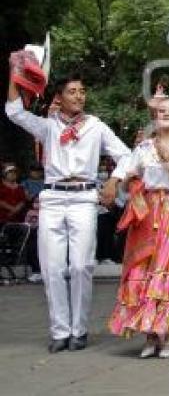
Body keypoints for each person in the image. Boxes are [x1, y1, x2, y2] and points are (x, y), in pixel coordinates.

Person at [5, 71, 130, 353]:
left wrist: (113, 180)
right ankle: (60, 331)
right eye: (72, 91)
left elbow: (125, 154)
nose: (79, 96)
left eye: (82, 91)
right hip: (51, 198)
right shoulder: (48, 127)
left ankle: (79, 329)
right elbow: (14, 111)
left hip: (84, 197)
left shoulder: (95, 126)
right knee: (52, 267)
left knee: (81, 265)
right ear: (58, 98)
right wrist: (15, 74)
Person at [108, 96, 169, 358]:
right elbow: (128, 183)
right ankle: (149, 334)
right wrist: (128, 180)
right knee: (144, 268)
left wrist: (168, 163)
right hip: (147, 211)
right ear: (155, 116)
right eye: (162, 110)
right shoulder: (143, 148)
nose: (167, 114)